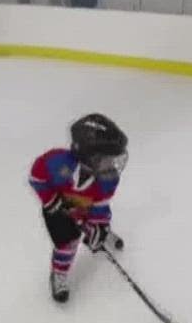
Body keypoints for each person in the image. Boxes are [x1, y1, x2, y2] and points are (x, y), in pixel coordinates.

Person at [27, 113, 128, 303]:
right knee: (68, 242)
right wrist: (50, 200)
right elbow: (36, 177)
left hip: (84, 204)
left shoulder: (109, 178)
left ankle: (101, 234)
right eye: (107, 158)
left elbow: (100, 205)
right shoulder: (58, 162)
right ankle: (59, 273)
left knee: (97, 224)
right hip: (57, 206)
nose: (113, 164)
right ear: (89, 156)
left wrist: (98, 228)